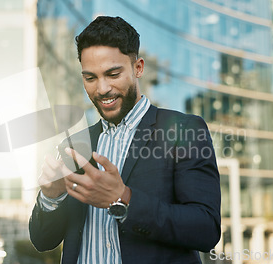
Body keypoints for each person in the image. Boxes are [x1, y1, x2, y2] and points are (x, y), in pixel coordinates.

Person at [29, 16, 221, 264]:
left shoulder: (183, 130)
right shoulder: (74, 145)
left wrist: (123, 198)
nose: (102, 88)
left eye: (113, 74)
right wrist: (51, 197)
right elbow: (42, 240)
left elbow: (206, 228)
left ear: (138, 68)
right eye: (90, 78)